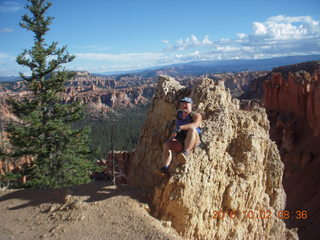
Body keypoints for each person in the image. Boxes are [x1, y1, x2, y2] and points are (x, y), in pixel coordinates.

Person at [158, 97, 202, 176]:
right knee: (166, 145)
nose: (184, 105)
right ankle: (166, 167)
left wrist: (181, 127)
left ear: (191, 105)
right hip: (181, 140)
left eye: (187, 104)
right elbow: (176, 127)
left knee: (192, 129)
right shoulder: (179, 114)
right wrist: (173, 136)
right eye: (183, 103)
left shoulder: (195, 115)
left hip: (194, 140)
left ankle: (186, 153)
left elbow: (196, 124)